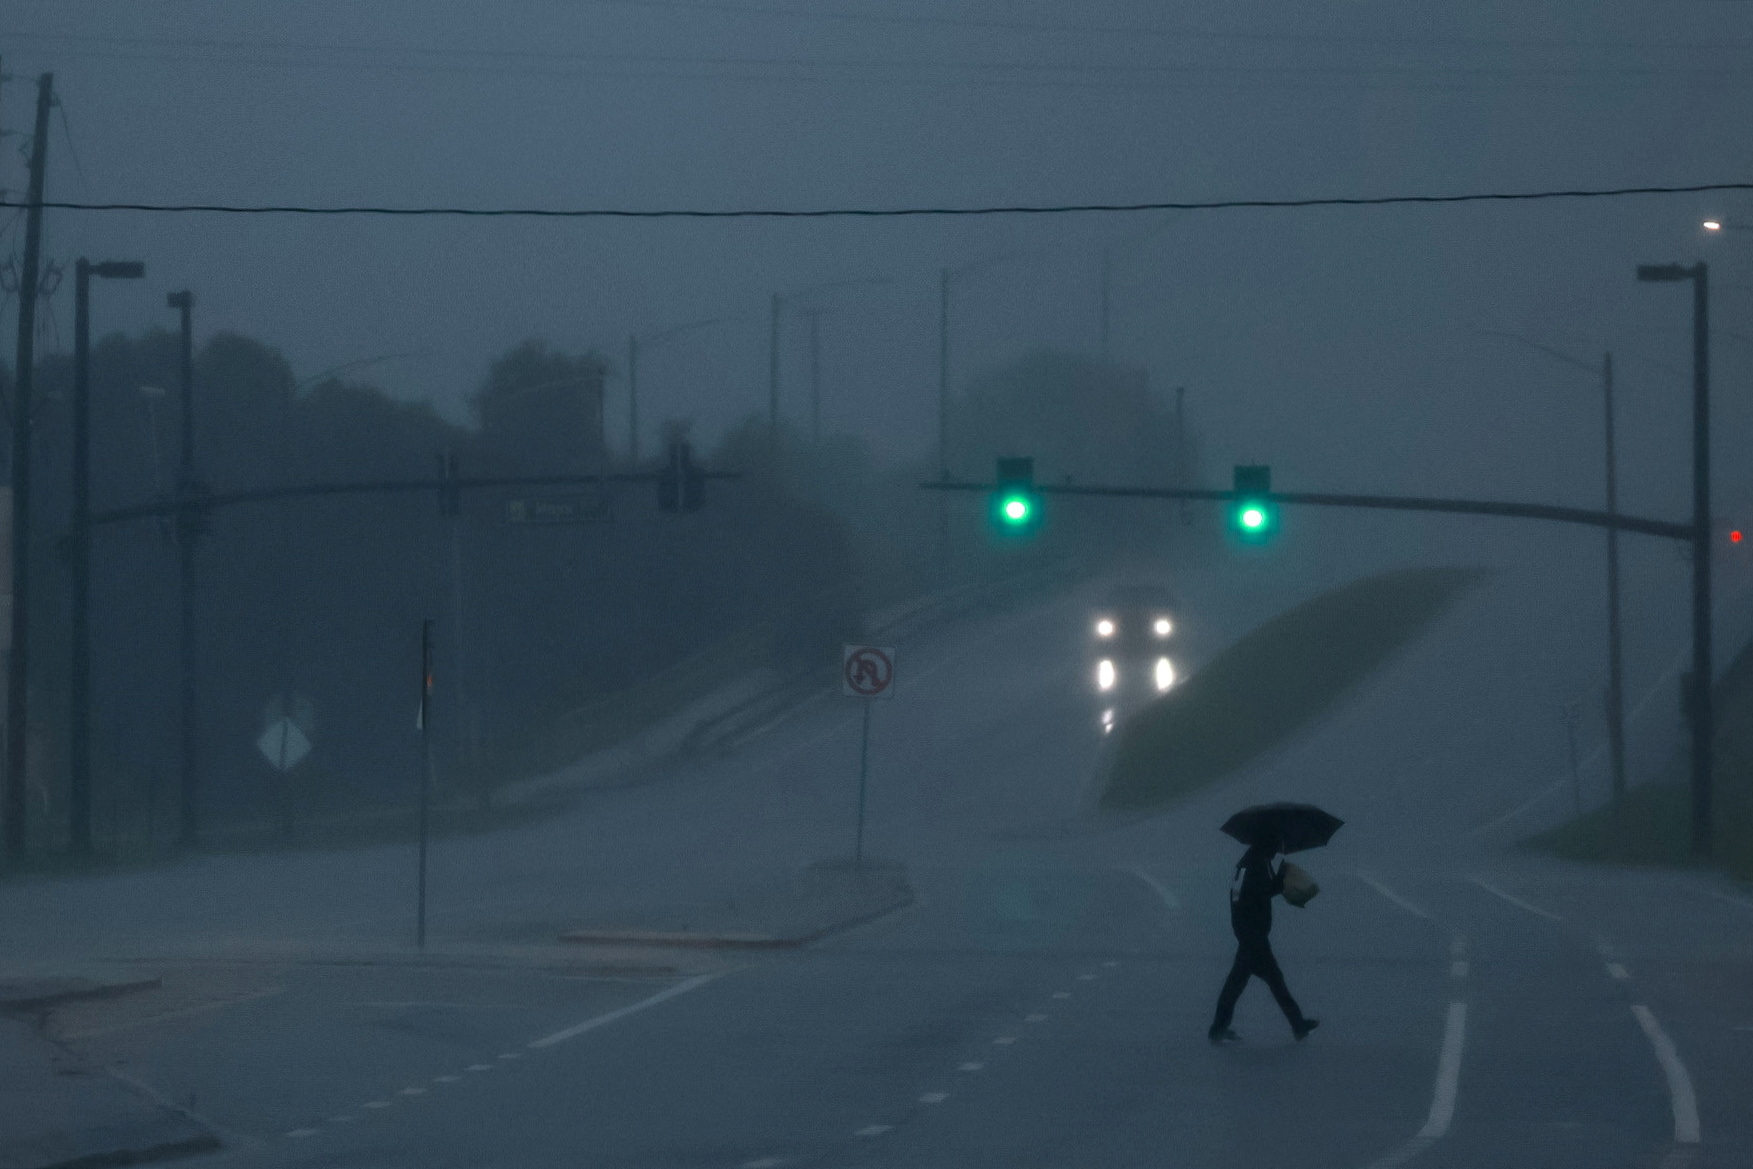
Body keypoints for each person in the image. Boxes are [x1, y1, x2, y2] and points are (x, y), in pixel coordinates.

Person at [1209, 836, 1318, 1044]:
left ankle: (1218, 1028)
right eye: (1276, 844)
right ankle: (1298, 1025)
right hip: (1253, 935)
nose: (1278, 848)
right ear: (1267, 843)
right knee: (1271, 981)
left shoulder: (1251, 861)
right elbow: (1261, 893)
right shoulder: (1256, 864)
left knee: (1237, 984)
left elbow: (1251, 894)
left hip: (1249, 932)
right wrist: (1280, 878)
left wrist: (1277, 879)